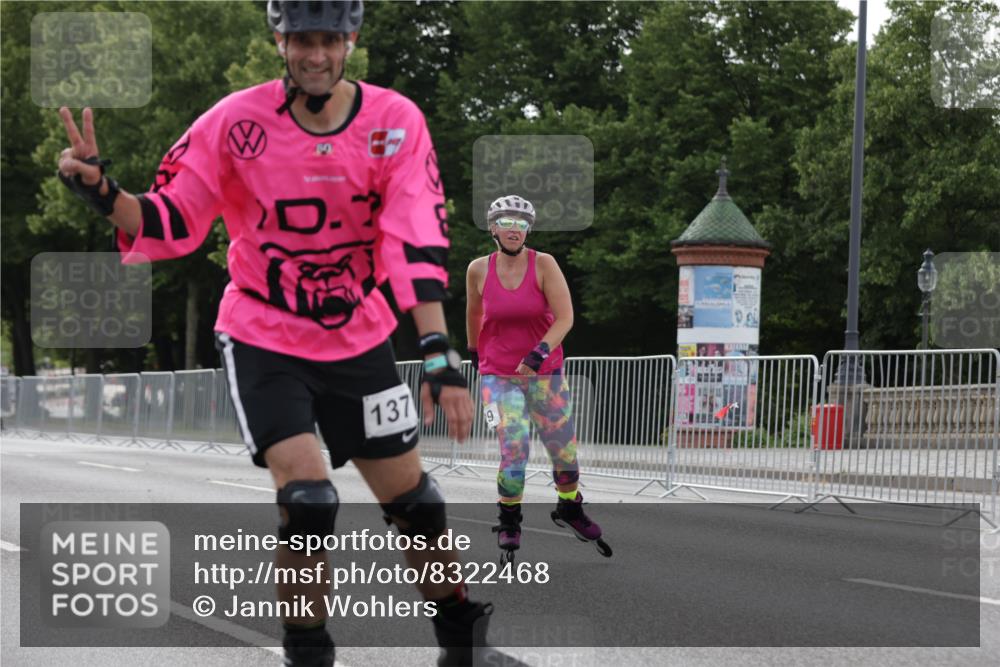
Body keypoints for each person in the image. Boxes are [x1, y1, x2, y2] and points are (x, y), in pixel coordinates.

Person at [56, 2, 494, 665]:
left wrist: (437, 352)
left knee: (416, 504)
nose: (314, 55)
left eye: (328, 40)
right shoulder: (236, 122)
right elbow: (175, 215)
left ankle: (461, 641)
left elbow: (415, 236)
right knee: (309, 498)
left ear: (349, 41)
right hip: (264, 332)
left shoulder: (394, 121)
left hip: (357, 332)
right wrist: (104, 192)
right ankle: (308, 651)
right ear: (279, 42)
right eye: (300, 41)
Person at [465, 195, 610, 562]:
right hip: (498, 375)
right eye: (507, 222)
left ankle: (569, 508)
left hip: (544, 372)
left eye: (521, 223)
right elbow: (473, 312)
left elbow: (565, 317)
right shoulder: (478, 269)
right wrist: (473, 353)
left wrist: (538, 353)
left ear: (529, 229)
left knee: (565, 453)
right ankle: (509, 520)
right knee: (514, 450)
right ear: (493, 228)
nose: (514, 229)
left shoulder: (544, 264)